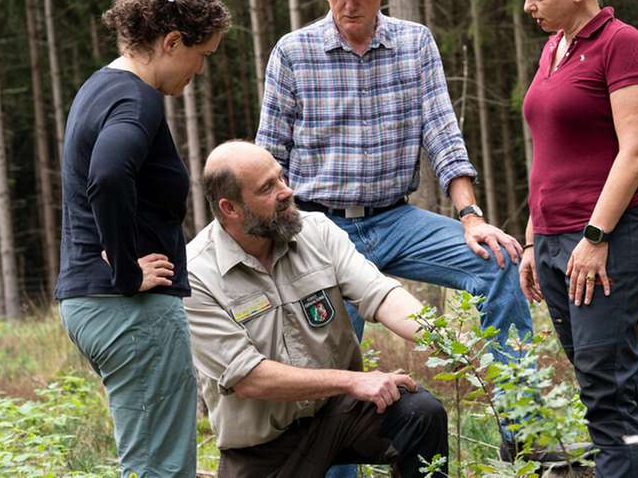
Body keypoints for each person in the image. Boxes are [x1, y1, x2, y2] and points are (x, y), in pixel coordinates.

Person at [255, 0, 534, 460]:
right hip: (320, 229)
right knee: (333, 368)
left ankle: (525, 429)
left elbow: (443, 133)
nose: (350, 5)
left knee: (498, 262)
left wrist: (470, 215)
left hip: (396, 218)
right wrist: (276, 241)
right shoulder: (293, 53)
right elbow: (269, 159)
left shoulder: (415, 43)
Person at [184, 141, 448, 477]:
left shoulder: (317, 231)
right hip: (263, 447)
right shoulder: (196, 275)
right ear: (231, 208)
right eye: (268, 187)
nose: (286, 191)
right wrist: (352, 381)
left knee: (420, 413)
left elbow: (379, 294)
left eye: (281, 178)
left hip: (338, 415)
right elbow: (249, 378)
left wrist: (447, 338)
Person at [55, 0, 230, 477]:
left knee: (150, 462)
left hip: (95, 304)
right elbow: (108, 175)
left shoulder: (98, 87)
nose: (199, 70)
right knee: (163, 468)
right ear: (172, 41)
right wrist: (127, 268)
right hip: (131, 310)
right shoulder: (137, 99)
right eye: (202, 55)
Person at [516, 0, 638, 476]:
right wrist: (535, 238)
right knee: (612, 378)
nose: (529, 6)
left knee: (603, 387)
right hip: (556, 241)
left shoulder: (621, 43)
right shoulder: (553, 47)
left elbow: (636, 151)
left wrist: (596, 239)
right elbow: (549, 154)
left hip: (607, 239)